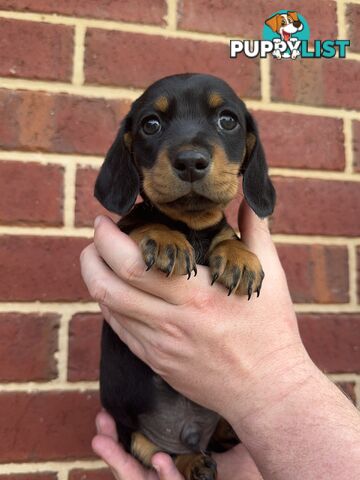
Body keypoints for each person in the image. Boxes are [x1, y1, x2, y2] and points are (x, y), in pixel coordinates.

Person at [80, 200, 360, 480]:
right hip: (143, 424)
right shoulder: (140, 227)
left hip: (218, 423)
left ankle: (196, 454)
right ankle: (184, 461)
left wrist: (274, 377)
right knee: (136, 443)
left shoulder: (224, 239)